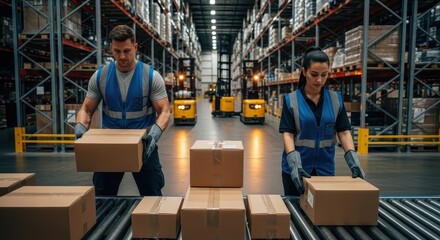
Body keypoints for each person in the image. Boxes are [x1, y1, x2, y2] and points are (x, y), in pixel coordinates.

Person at [74, 25, 170, 196]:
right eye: (117, 51)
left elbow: (164, 111)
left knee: (152, 194)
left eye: (127, 50)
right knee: (102, 195)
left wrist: (154, 135)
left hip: (144, 144)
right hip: (110, 145)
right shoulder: (100, 76)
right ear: (111, 47)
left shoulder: (151, 76)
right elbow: (86, 109)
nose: (122, 56)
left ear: (135, 47)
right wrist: (81, 126)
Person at [279, 46, 365, 196]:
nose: (319, 80)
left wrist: (354, 161)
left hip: (324, 169)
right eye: (314, 74)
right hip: (296, 169)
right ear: (304, 72)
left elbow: (344, 132)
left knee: (320, 214)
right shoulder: (291, 100)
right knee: (294, 211)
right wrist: (294, 164)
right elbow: (288, 134)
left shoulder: (335, 100)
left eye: (324, 75)